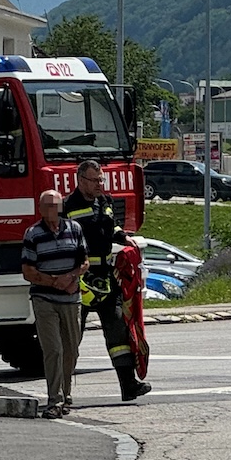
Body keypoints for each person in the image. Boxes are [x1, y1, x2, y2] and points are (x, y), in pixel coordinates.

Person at [64, 159, 150, 402]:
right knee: (71, 336)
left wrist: (124, 237)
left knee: (118, 333)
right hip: (80, 277)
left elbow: (111, 228)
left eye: (101, 179)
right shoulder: (67, 206)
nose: (100, 184)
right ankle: (62, 391)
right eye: (94, 180)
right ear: (80, 181)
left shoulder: (105, 202)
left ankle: (128, 385)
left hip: (105, 275)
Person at [21, 190, 85, 419]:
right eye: (46, 206)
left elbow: (84, 261)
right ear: (40, 209)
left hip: (71, 298)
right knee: (54, 350)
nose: (51, 210)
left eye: (55, 205)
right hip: (44, 299)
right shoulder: (33, 234)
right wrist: (53, 282)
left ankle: (66, 395)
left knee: (71, 349)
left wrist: (71, 278)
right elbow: (27, 271)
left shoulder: (74, 229)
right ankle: (53, 400)